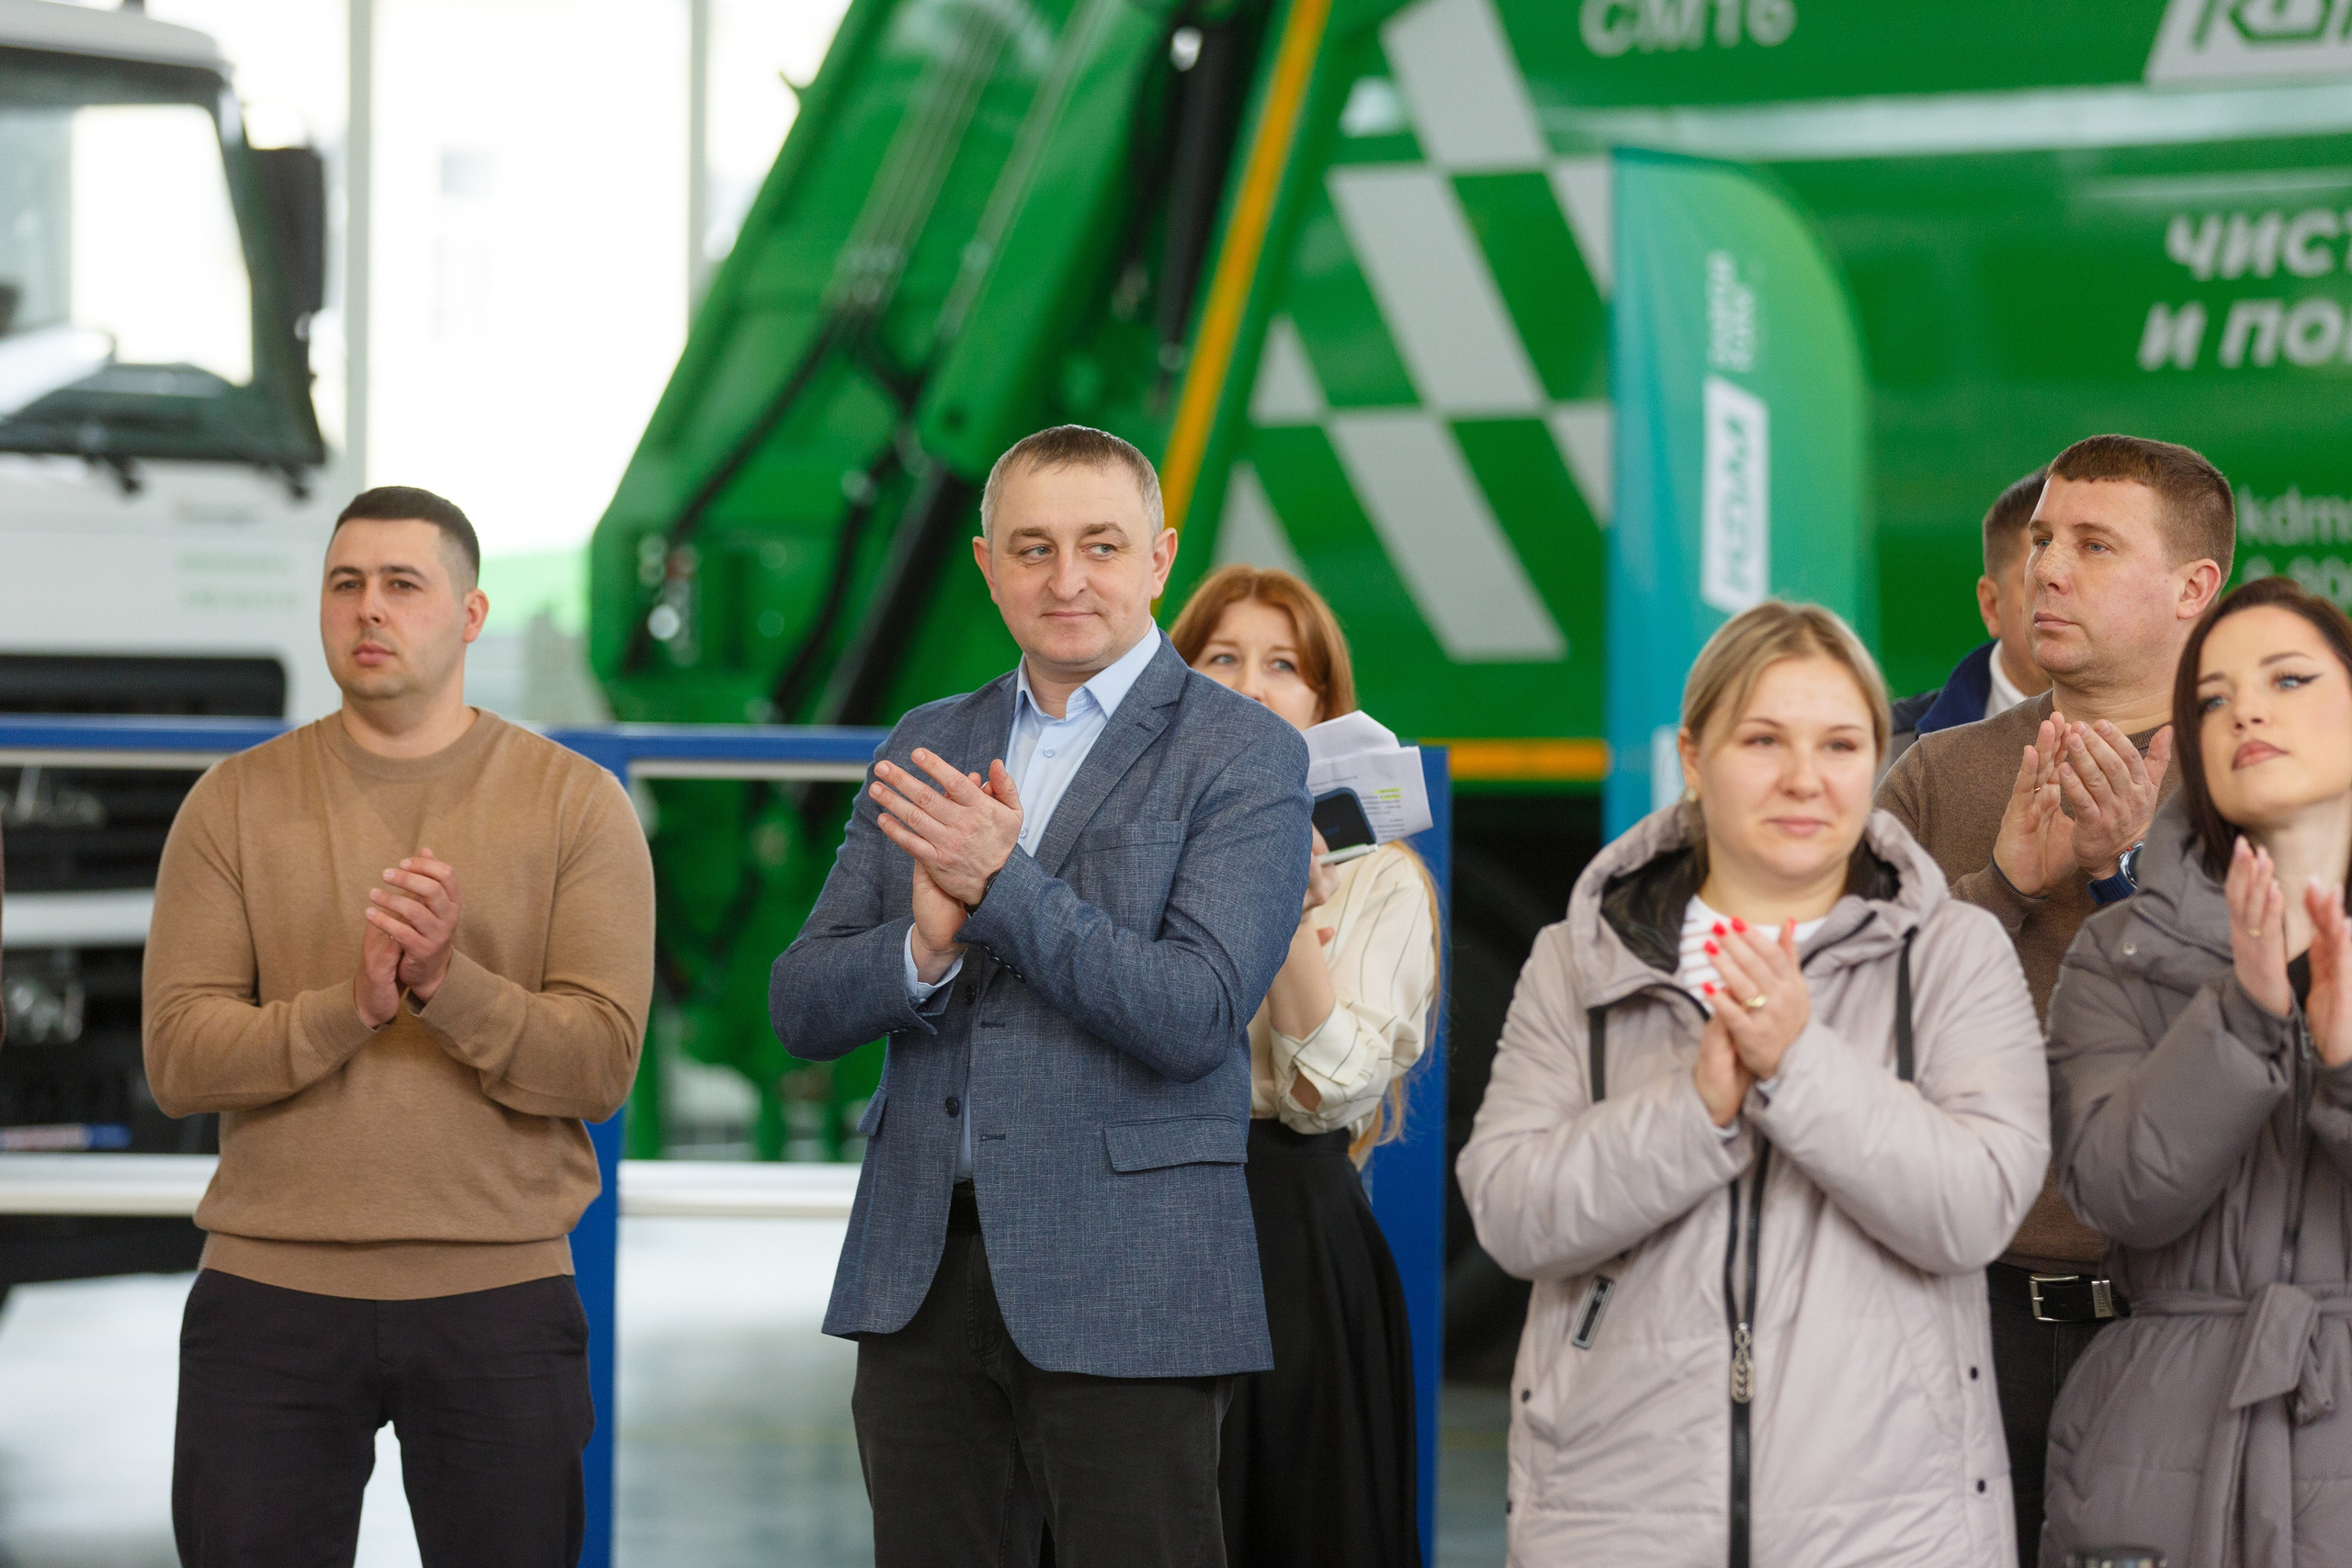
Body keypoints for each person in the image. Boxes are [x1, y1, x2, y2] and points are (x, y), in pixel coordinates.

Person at [767, 425, 1311, 1567]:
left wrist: (1000, 888)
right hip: (920, 1277)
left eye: (1100, 546)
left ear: (1160, 559)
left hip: (1132, 1278)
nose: (1067, 579)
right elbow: (802, 1004)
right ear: (986, 565)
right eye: (1033, 548)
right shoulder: (929, 741)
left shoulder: (1244, 754)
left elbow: (1192, 1013)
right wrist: (922, 948)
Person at [1460, 600, 2048, 1565]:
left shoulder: (1953, 953)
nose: (1804, 778)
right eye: (1763, 739)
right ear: (1694, 757)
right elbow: (1511, 1213)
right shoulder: (1580, 958)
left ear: (1876, 760)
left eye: (1841, 744)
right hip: (1615, 1524)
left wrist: (1797, 1067)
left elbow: (1976, 1208)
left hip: (1890, 1532)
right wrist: (1694, 1110)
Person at [144, 485, 654, 1567]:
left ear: (470, 615)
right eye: (346, 583)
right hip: (268, 1295)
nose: (368, 607)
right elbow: (179, 1058)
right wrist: (355, 1009)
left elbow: (600, 1066)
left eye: (401, 584)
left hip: (500, 1294)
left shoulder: (577, 805)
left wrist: (446, 986)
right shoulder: (230, 803)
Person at [1875, 433, 2232, 1559]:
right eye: (2040, 541)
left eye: (2093, 545)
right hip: (1961, 1320)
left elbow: (2276, 1049)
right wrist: (2002, 890)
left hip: (2185, 1330)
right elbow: (1836, 1024)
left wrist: (2125, 877)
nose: (2048, 571)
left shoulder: (2261, 777)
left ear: (2193, 588)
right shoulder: (1937, 774)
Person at [2041, 574, 2352, 1567]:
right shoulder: (2120, 950)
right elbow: (2116, 1193)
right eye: (2213, 699)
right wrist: (2242, 1016)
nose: (2247, 710)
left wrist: (2344, 1064)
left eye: (2288, 679)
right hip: (2158, 1452)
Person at [1169, 564, 1437, 1568]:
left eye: (1285, 666)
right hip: (1141, 1218)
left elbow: (1331, 1092)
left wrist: (1284, 906)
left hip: (1290, 1228)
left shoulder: (1380, 882)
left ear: (1323, 704)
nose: (1252, 685)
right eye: (1222, 658)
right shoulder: (1131, 846)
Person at [1887, 468, 2052, 764]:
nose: (2071, 597)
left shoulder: (2155, 751)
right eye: (2042, 579)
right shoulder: (1884, 751)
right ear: (1991, 605)